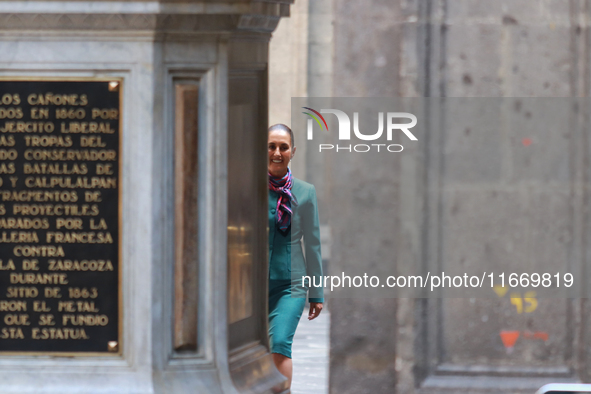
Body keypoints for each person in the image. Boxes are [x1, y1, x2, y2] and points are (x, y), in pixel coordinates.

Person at [267, 123, 324, 389]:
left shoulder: (305, 192)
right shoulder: (246, 188)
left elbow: (313, 244)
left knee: (279, 343)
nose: (277, 152)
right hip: (248, 286)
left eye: (283, 147)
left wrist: (317, 294)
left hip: (291, 284)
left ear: (293, 151)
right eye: (271, 146)